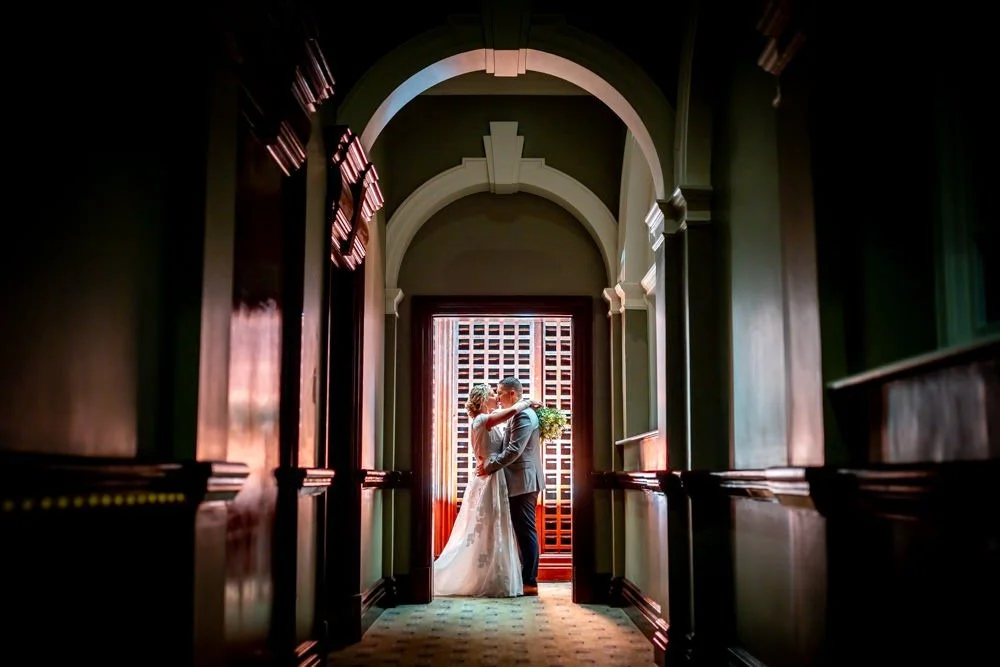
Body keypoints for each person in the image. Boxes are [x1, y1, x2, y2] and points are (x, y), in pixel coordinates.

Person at [433, 383, 538, 597]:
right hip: (490, 475)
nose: (497, 398)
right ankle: (486, 573)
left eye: (498, 393)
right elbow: (510, 412)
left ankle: (497, 570)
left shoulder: (486, 419)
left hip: (495, 475)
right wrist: (526, 402)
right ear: (482, 399)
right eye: (493, 394)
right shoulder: (482, 420)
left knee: (494, 525)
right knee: (488, 525)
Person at [476, 376, 544, 596]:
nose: (497, 396)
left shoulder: (523, 415)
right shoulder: (516, 414)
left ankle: (530, 581)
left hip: (523, 481)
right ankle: (524, 577)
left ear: (512, 394)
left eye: (500, 392)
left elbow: (514, 450)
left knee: (525, 530)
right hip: (517, 481)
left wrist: (490, 467)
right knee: (521, 529)